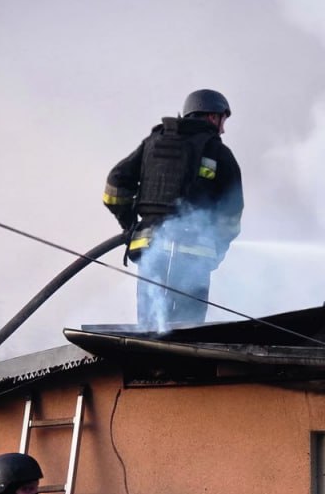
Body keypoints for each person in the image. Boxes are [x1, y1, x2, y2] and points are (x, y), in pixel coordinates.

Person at [102, 88, 244, 331]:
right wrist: (217, 248)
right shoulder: (218, 153)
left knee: (149, 330)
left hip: (151, 251)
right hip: (193, 259)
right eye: (223, 120)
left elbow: (114, 186)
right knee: (188, 331)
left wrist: (131, 225)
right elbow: (232, 213)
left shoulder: (152, 143)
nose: (223, 129)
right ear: (213, 116)